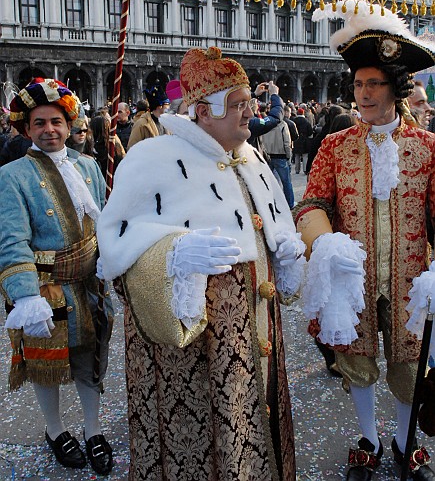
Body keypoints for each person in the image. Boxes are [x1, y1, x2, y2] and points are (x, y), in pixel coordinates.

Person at [97, 46, 306, 480]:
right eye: (237, 104)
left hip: (256, 336)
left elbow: (270, 225)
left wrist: (282, 252)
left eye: (250, 101)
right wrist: (170, 255)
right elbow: (115, 251)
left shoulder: (253, 158)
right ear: (202, 112)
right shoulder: (153, 160)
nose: (251, 112)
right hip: (196, 357)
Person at [294, 0, 435, 481]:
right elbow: (311, 203)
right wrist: (325, 243)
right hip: (351, 278)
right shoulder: (335, 145)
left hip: (411, 275)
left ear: (395, 89)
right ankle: (369, 441)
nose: (363, 92)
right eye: (358, 83)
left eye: (373, 83)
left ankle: (402, 440)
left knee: (408, 364)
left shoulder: (428, 147)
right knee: (356, 360)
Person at [0, 79, 113, 475]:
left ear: (69, 125)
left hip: (88, 284)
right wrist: (26, 297)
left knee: (90, 361)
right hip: (43, 289)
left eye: (56, 122)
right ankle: (54, 430)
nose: (49, 129)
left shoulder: (89, 165)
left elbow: (106, 220)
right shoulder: (12, 175)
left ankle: (94, 430)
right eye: (39, 123)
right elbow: (11, 240)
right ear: (26, 129)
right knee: (45, 365)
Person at [262, 118, 295, 209]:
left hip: (267, 155)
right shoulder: (282, 124)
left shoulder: (265, 123)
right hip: (280, 155)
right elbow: (287, 142)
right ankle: (290, 203)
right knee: (286, 182)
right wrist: (288, 155)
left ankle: (269, 202)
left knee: (267, 181)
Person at [293, 107, 313, 174]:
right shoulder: (306, 121)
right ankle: (305, 169)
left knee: (297, 155)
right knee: (305, 155)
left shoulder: (294, 121)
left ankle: (297, 170)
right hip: (305, 140)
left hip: (296, 140)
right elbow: (310, 132)